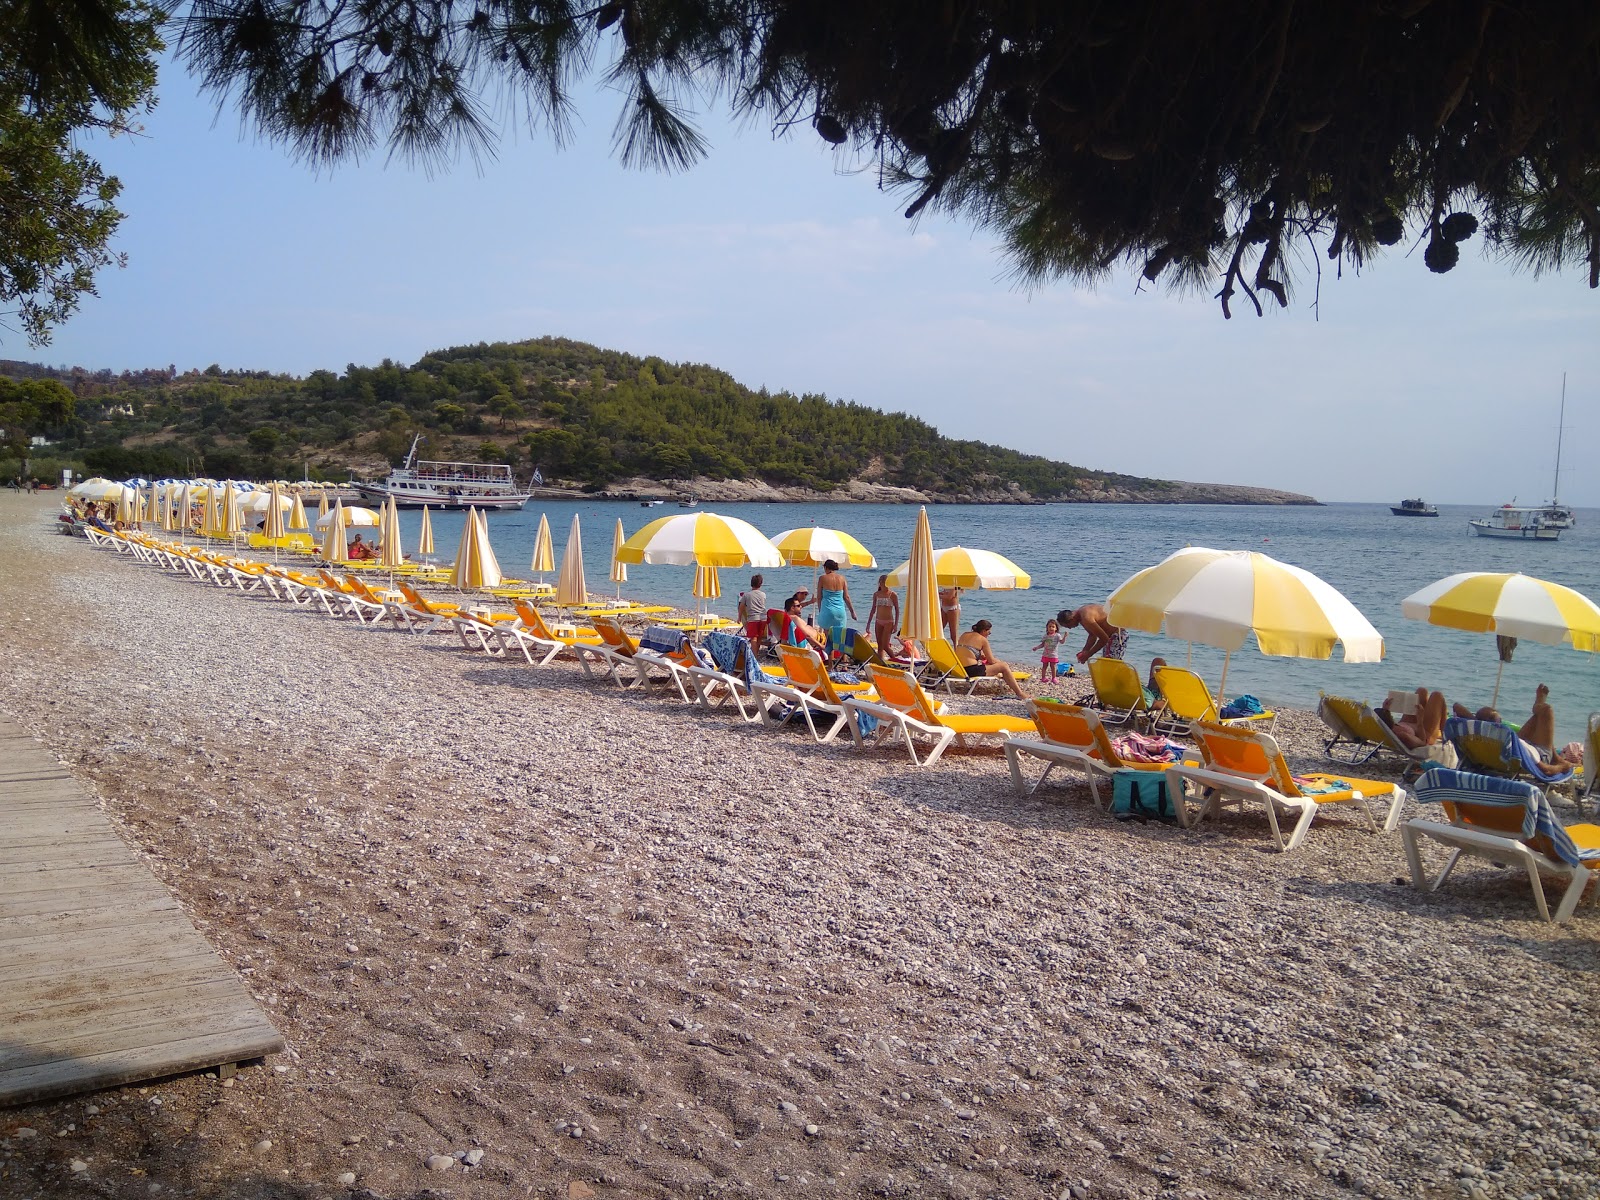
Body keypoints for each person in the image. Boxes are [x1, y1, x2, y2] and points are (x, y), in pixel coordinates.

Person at [955, 619, 1029, 700]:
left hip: (959, 669)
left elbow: (965, 652)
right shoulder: (983, 640)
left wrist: (979, 656)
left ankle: (978, 685)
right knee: (1003, 666)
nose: (988, 635)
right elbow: (991, 661)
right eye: (989, 632)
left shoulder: (964, 634)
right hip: (972, 671)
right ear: (984, 631)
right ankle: (1020, 693)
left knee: (993, 665)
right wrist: (1000, 663)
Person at [813, 559, 856, 654]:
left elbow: (819, 597)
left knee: (829, 639)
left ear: (826, 567)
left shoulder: (822, 578)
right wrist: (852, 612)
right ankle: (844, 664)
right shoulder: (842, 578)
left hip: (827, 610)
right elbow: (846, 597)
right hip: (840, 611)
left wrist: (821, 610)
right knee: (842, 638)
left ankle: (831, 664)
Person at [1060, 603, 1128, 663]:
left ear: (1071, 619)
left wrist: (1088, 655)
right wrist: (1085, 651)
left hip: (1117, 634)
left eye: (1068, 626)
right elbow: (1092, 636)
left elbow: (1104, 639)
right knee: (1107, 661)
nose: (1070, 628)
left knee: (1111, 663)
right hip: (1111, 637)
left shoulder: (1086, 617)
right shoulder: (1080, 615)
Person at [867, 574, 900, 660]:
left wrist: (896, 624)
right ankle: (881, 662)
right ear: (880, 583)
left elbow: (897, 610)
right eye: (882, 583)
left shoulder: (892, 594)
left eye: (886, 583)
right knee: (880, 646)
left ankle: (894, 659)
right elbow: (873, 609)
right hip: (878, 621)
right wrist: (868, 624)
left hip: (888, 621)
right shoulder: (876, 594)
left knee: (885, 645)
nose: (884, 585)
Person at [1032, 618, 1067, 683]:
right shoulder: (1046, 636)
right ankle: (1043, 678)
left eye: (1053, 627)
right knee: (1044, 666)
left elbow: (1062, 642)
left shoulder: (1057, 635)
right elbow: (1042, 644)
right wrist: (1036, 647)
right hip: (1045, 654)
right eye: (1049, 626)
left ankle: (1054, 678)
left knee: (1053, 666)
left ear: (1056, 628)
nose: (1051, 628)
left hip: (1053, 655)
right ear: (1047, 628)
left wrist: (1064, 637)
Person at [738, 574, 769, 647]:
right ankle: (756, 654)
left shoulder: (746, 595)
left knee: (753, 638)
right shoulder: (763, 594)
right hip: (763, 617)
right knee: (759, 638)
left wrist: (739, 617)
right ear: (760, 584)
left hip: (753, 618)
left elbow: (741, 607)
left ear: (751, 583)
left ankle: (754, 656)